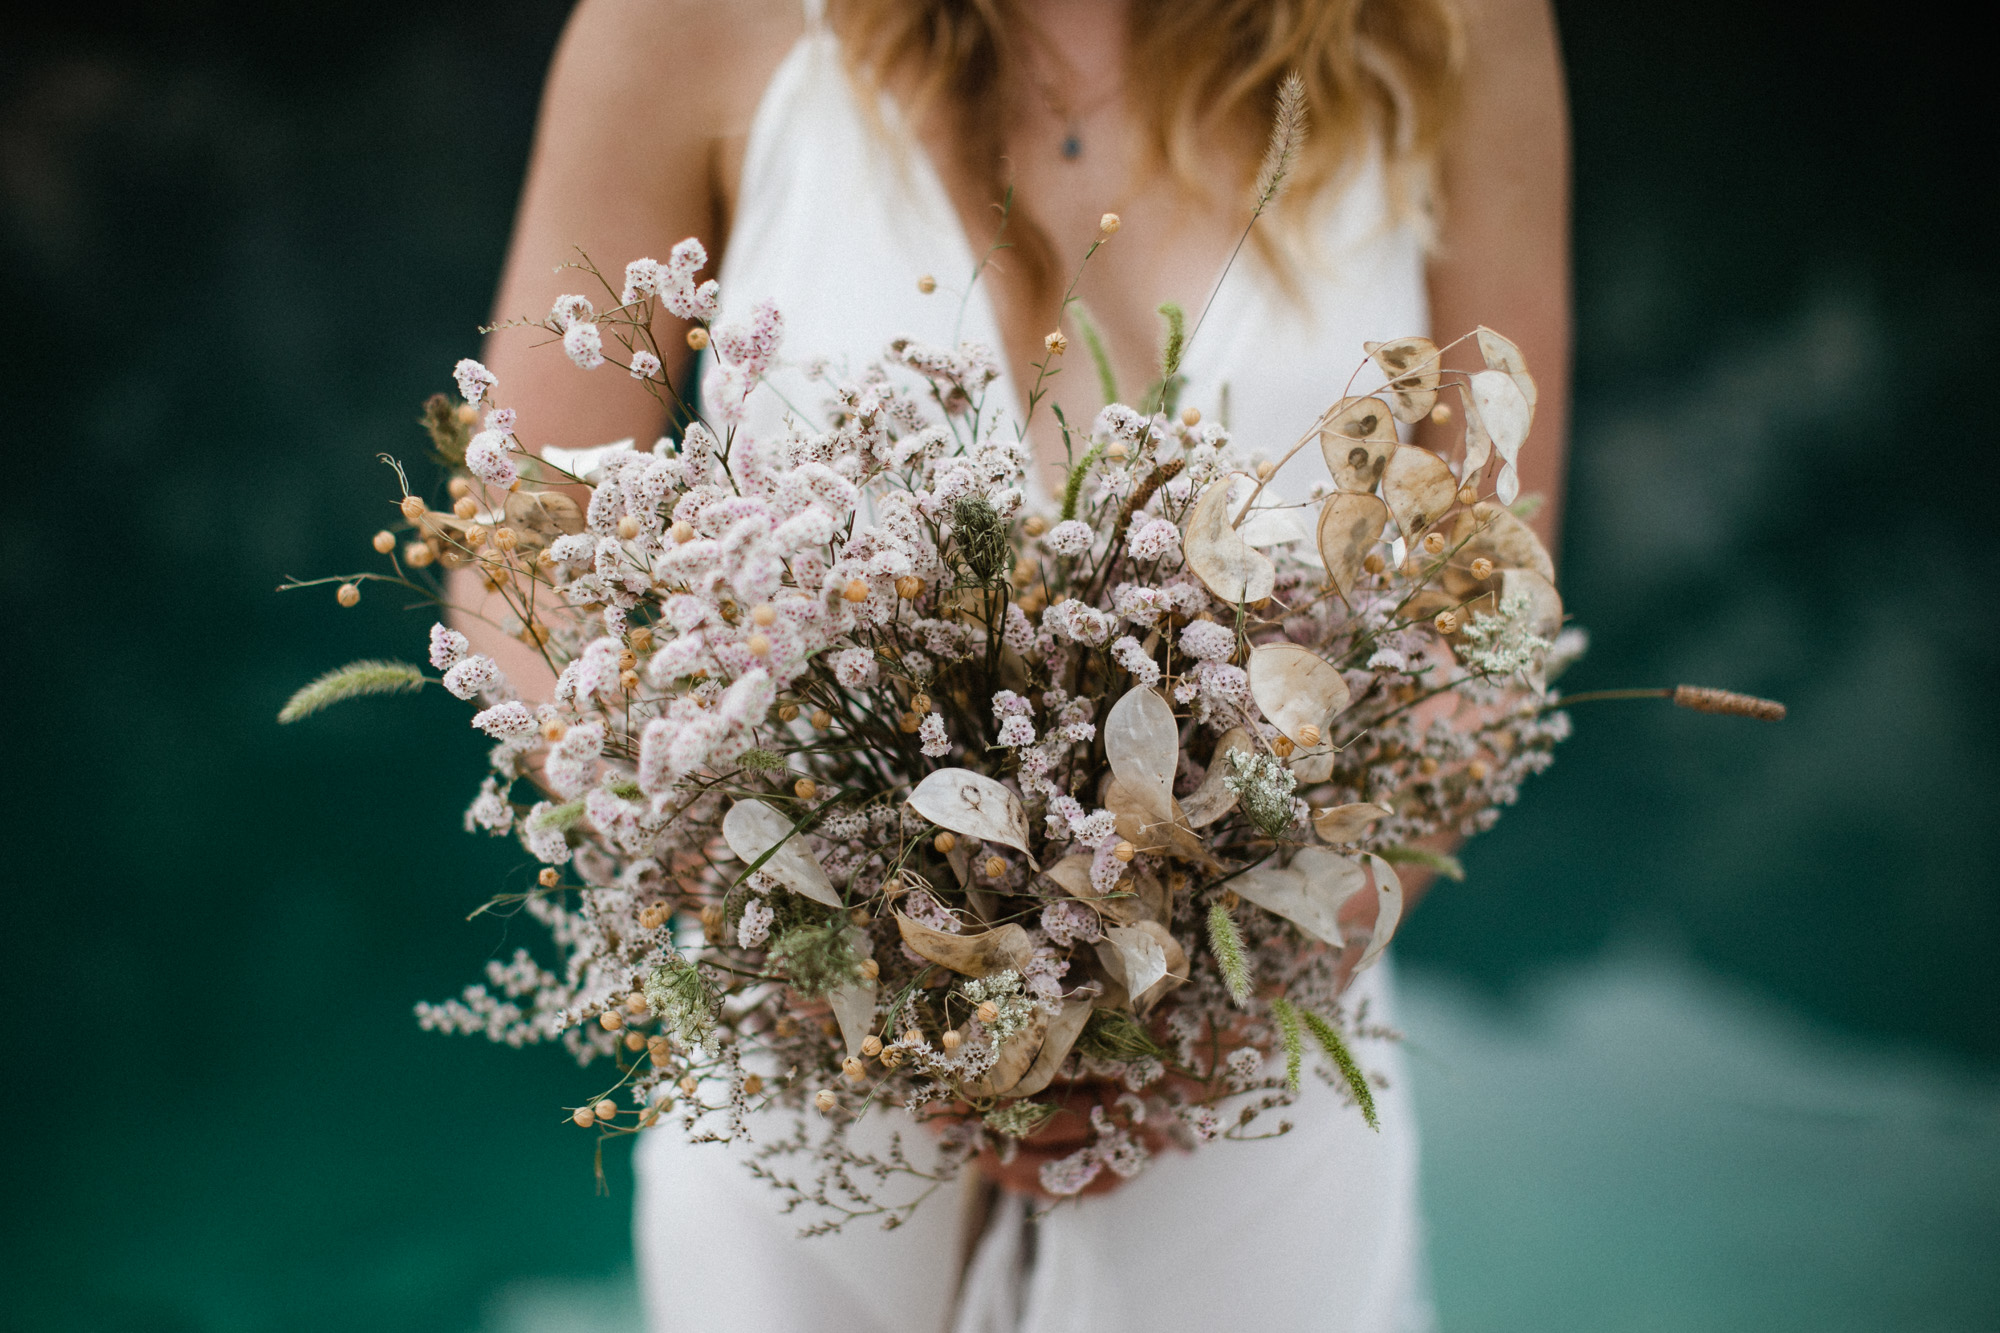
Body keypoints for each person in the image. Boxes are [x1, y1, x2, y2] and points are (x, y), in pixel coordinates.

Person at [468, 0, 1568, 1327]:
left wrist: (1225, 983)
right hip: (815, 1098)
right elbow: (519, 546)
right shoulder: (686, 25)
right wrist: (819, 945)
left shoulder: (1456, 22)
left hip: (1250, 1086)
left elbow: (1488, 605)